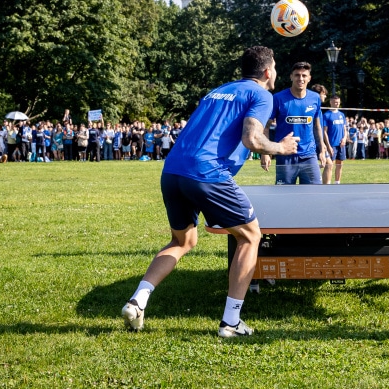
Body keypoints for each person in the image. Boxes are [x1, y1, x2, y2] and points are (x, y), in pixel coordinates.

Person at [121, 46, 298, 337]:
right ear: (268, 72)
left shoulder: (219, 91)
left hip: (173, 171)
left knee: (183, 240)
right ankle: (231, 322)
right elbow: (252, 138)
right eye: (276, 68)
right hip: (207, 173)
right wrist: (279, 147)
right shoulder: (262, 94)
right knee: (250, 236)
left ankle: (137, 301)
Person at [261, 61, 325, 185]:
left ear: (309, 78)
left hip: (309, 156)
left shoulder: (315, 98)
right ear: (291, 77)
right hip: (285, 156)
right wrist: (265, 152)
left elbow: (317, 126)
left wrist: (322, 150)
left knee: (315, 196)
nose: (300, 78)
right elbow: (265, 127)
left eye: (304, 75)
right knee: (284, 198)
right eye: (297, 75)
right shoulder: (278, 98)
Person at [321, 94, 349, 184]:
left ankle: (337, 182)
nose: (337, 104)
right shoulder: (326, 115)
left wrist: (344, 138)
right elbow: (324, 131)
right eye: (335, 102)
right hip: (332, 144)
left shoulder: (342, 115)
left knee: (340, 164)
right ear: (331, 102)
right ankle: (327, 183)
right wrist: (328, 145)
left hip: (341, 144)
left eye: (338, 102)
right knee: (330, 165)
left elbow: (345, 129)